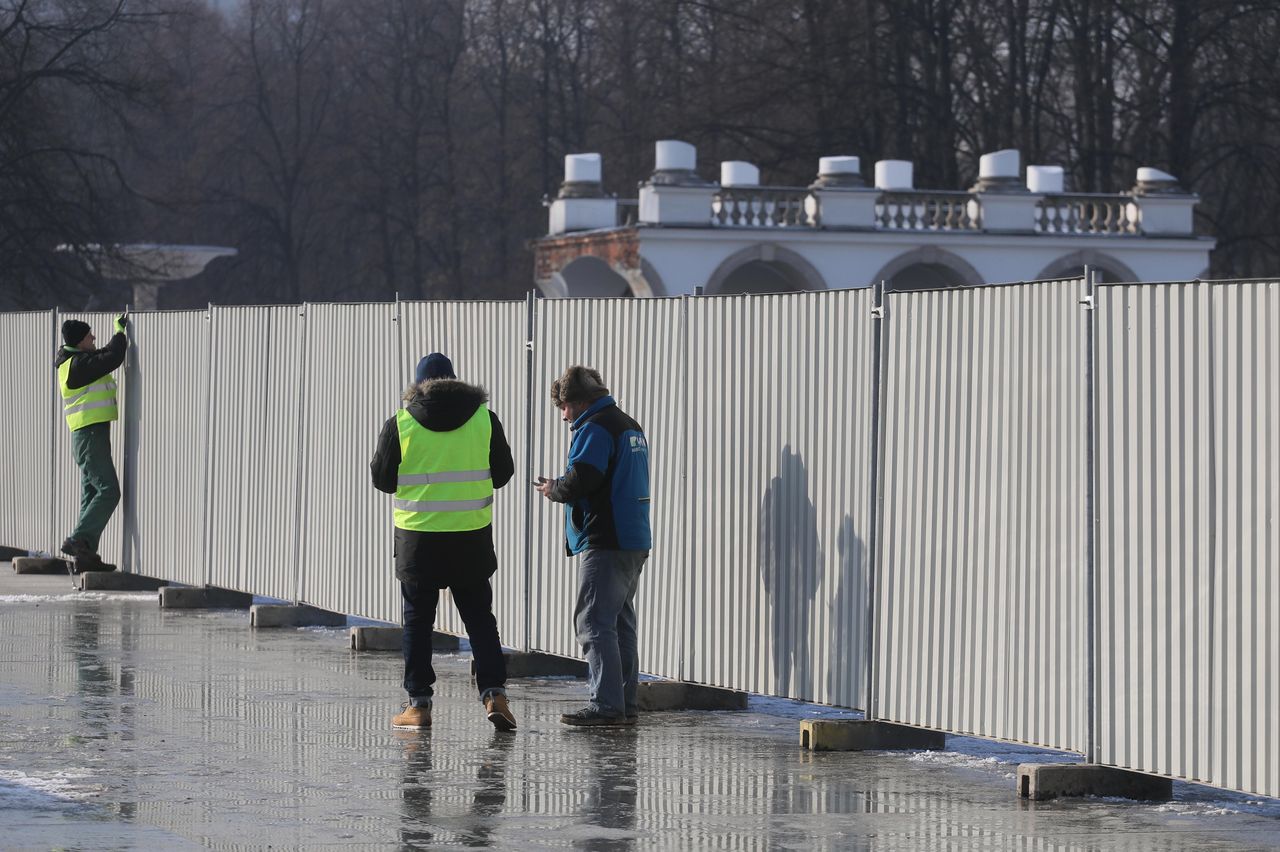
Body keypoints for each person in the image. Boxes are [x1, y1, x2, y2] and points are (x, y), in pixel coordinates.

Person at [370, 352, 518, 732]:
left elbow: (383, 479)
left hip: (418, 540)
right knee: (479, 619)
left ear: (417, 385)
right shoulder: (485, 418)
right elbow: (503, 473)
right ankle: (494, 694)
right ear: (455, 381)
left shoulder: (401, 423)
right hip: (470, 537)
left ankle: (418, 706)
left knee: (418, 622)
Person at [534, 366, 651, 727]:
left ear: (579, 401)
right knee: (619, 622)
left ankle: (606, 705)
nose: (564, 415)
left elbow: (585, 476)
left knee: (593, 621)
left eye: (565, 407)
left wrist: (555, 488)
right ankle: (624, 704)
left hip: (606, 537)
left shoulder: (596, 426)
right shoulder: (628, 424)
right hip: (633, 536)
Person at [55, 314, 128, 573]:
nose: (93, 338)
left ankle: (85, 556)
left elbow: (103, 356)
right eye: (89, 336)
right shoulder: (77, 366)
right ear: (79, 342)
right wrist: (120, 333)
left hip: (87, 436)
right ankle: (77, 540)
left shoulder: (75, 361)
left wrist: (115, 339)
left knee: (91, 494)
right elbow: (112, 358)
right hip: (90, 435)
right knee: (109, 491)